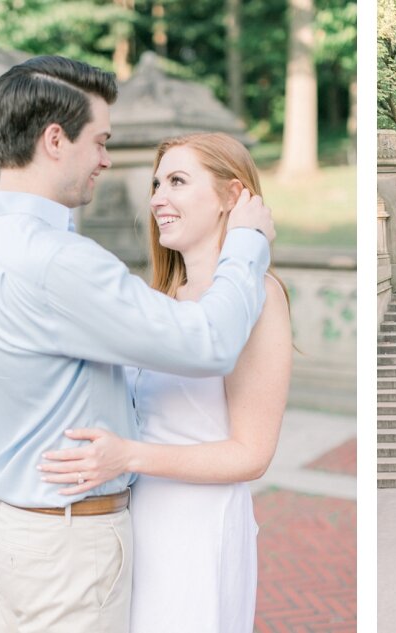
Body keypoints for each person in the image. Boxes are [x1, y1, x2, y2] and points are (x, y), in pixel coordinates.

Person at [0, 56, 275, 632]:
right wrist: (247, 243)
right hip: (68, 541)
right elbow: (209, 343)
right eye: (99, 141)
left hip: (14, 524)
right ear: (55, 140)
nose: (105, 159)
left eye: (176, 180)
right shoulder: (57, 261)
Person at [39, 133, 291, 632]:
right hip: (138, 525)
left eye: (177, 180)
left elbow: (252, 453)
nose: (158, 197)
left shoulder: (260, 298)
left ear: (231, 197)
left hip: (199, 529)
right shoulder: (164, 296)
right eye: (157, 182)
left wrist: (128, 455)